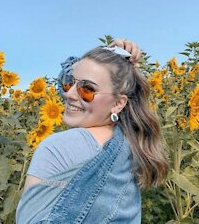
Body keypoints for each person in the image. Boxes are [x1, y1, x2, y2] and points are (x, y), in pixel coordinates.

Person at [16, 40, 168, 223]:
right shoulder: (130, 141)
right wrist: (115, 58)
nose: (69, 94)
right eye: (69, 82)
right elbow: (78, 84)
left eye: (88, 89)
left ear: (118, 103)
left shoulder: (58, 147)